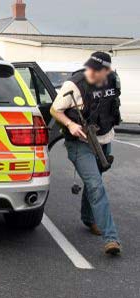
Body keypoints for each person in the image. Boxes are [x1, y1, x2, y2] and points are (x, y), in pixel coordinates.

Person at [50, 51, 122, 255]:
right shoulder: (73, 85)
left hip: (105, 138)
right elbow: (55, 110)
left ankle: (89, 219)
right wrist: (71, 125)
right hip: (80, 143)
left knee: (95, 180)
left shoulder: (112, 80)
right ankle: (112, 238)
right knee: (96, 186)